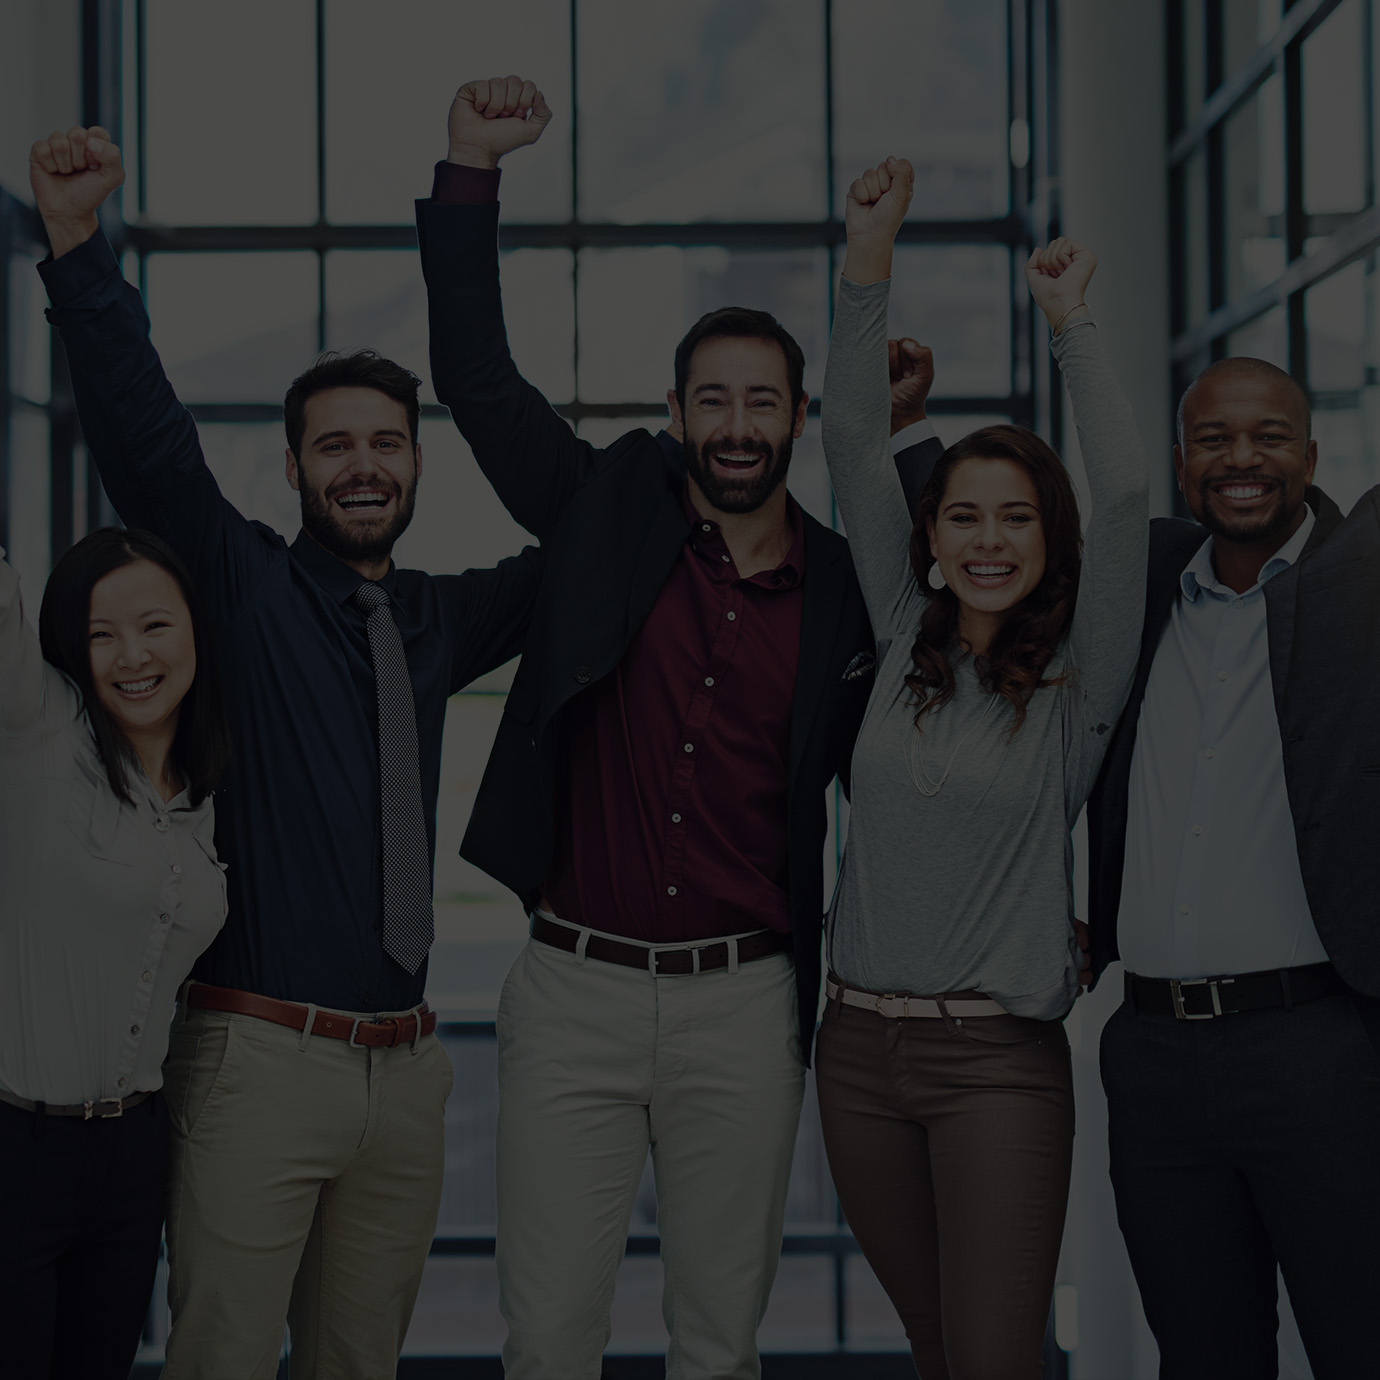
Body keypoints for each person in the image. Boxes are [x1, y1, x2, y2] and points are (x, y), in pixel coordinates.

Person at [416, 77, 941, 1379]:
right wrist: (472, 168)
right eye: (713, 401)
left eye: (763, 402)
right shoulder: (604, 512)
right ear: (677, 417)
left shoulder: (838, 593)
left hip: (742, 1007)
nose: (738, 426)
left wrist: (908, 435)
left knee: (720, 1341)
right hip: (574, 995)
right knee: (547, 1338)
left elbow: (929, 740)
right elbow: (479, 382)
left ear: (799, 421)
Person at [29, 124, 543, 1379]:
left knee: (360, 1365)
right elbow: (147, 438)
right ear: (298, 466)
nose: (362, 466)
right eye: (335, 445)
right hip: (257, 1059)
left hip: (409, 1069)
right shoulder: (242, 587)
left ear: (417, 464)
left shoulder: (435, 618)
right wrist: (78, 246)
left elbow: (592, 556)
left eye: (384, 444)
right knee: (222, 1358)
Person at [815, 155, 1148, 1379]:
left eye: (1015, 518)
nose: (990, 540)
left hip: (996, 1066)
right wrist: (867, 253)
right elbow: (850, 431)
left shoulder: (1079, 681)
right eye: (965, 517)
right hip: (854, 1055)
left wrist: (1072, 329)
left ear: (1043, 537)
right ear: (934, 538)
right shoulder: (902, 625)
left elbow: (1120, 491)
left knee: (996, 1362)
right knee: (937, 1349)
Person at [1085, 356, 1380, 1379]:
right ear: (1180, 460)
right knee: (1204, 1361)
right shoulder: (1144, 589)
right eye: (1214, 438)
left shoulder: (1363, 588)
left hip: (1322, 1055)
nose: (1241, 459)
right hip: (1155, 1056)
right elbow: (993, 534)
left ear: (1311, 454)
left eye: (1268, 437)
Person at [0, 529, 230, 1379]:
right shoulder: (41, 734)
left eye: (154, 626)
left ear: (196, 633)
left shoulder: (204, 794)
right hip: (18, 1144)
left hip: (134, 1152)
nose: (132, 656)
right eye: (101, 635)